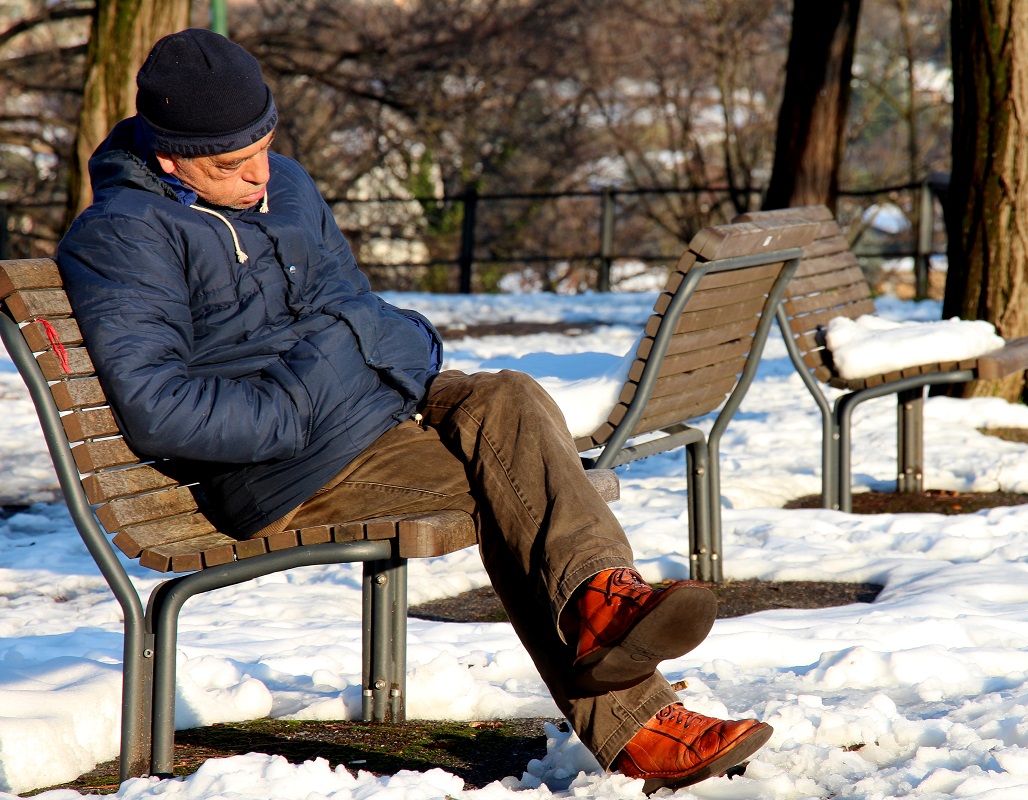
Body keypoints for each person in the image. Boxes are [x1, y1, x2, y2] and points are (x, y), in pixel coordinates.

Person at [56, 28, 772, 794]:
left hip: (373, 404)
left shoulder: (286, 185)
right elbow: (164, 411)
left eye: (266, 145)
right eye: (230, 165)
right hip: (292, 466)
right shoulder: (125, 238)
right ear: (169, 159)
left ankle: (603, 599)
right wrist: (313, 391)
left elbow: (348, 305)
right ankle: (636, 718)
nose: (259, 175)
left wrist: (397, 344)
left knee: (511, 396)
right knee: (522, 495)